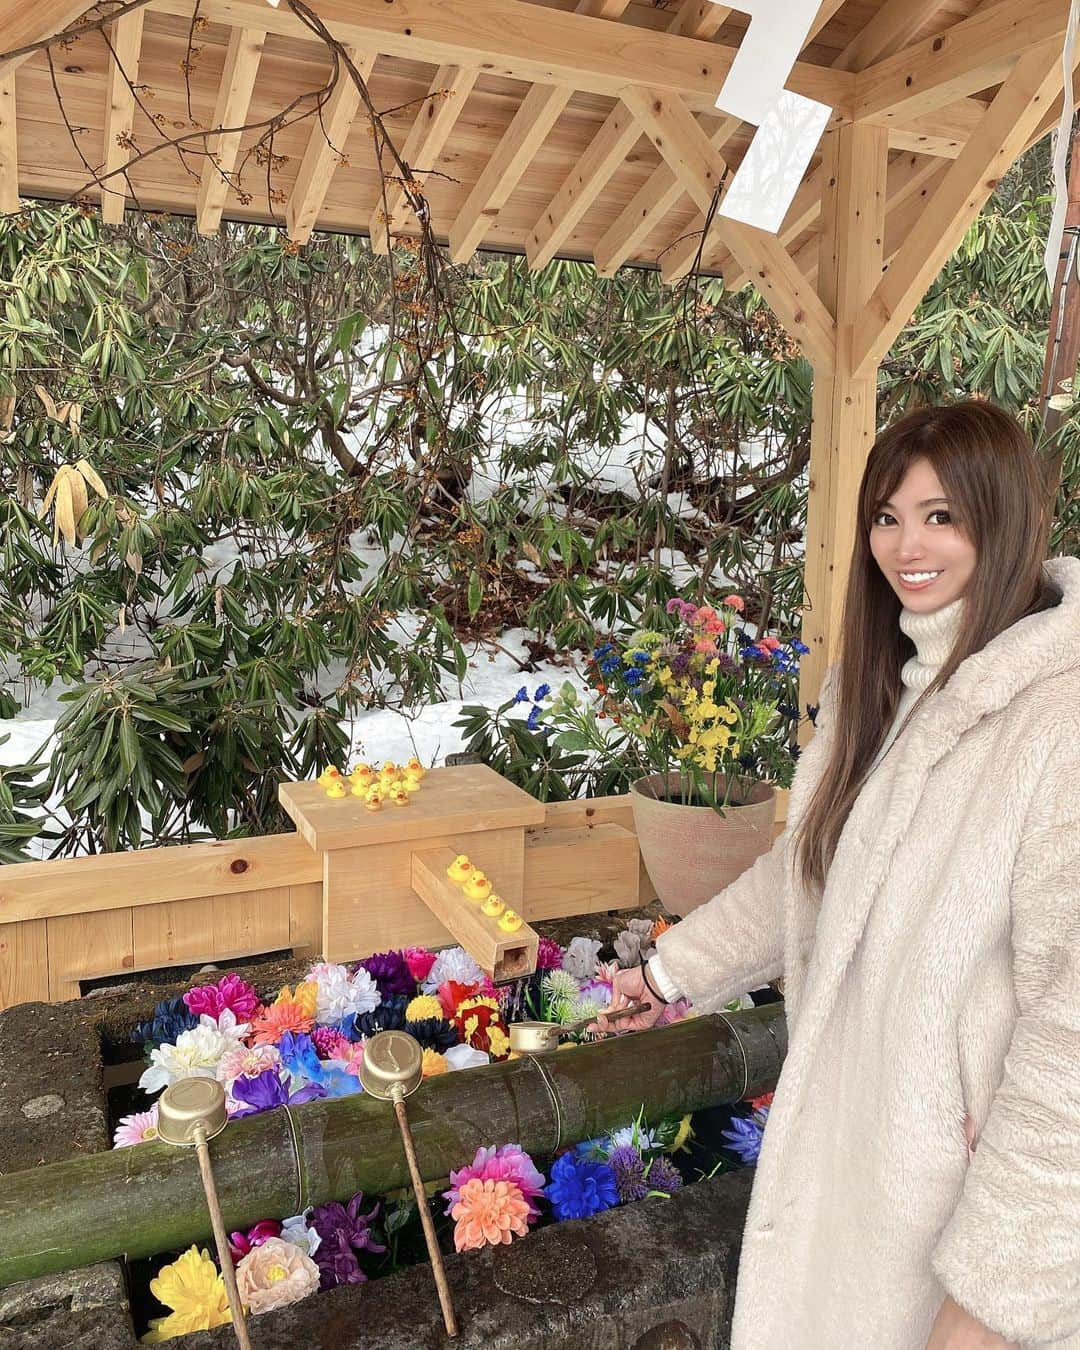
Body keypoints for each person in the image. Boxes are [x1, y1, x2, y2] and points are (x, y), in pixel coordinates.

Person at [600, 401, 1080, 1350]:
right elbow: (811, 873)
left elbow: (1071, 1039)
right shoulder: (885, 686)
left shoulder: (1056, 722)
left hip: (950, 1214)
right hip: (850, 1175)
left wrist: (988, 1302)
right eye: (888, 515)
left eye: (942, 515)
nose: (908, 544)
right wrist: (666, 974)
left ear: (1008, 518)